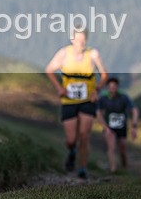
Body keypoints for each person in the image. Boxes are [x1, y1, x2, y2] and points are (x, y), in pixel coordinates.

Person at [45, 29, 108, 179]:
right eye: (78, 40)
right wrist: (59, 87)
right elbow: (49, 70)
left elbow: (104, 75)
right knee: (71, 139)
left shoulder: (93, 54)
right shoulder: (63, 54)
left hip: (88, 100)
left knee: (84, 135)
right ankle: (72, 151)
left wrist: (97, 90)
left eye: (83, 40)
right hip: (69, 101)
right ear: (72, 39)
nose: (80, 43)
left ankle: (82, 168)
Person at [96, 77, 139, 173]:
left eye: (114, 86)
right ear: (107, 87)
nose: (112, 89)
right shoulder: (103, 98)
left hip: (122, 127)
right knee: (111, 147)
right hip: (109, 127)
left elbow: (134, 110)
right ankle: (113, 169)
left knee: (122, 148)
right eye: (110, 87)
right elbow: (98, 113)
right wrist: (105, 127)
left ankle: (124, 167)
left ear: (117, 87)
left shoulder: (123, 97)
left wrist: (134, 126)